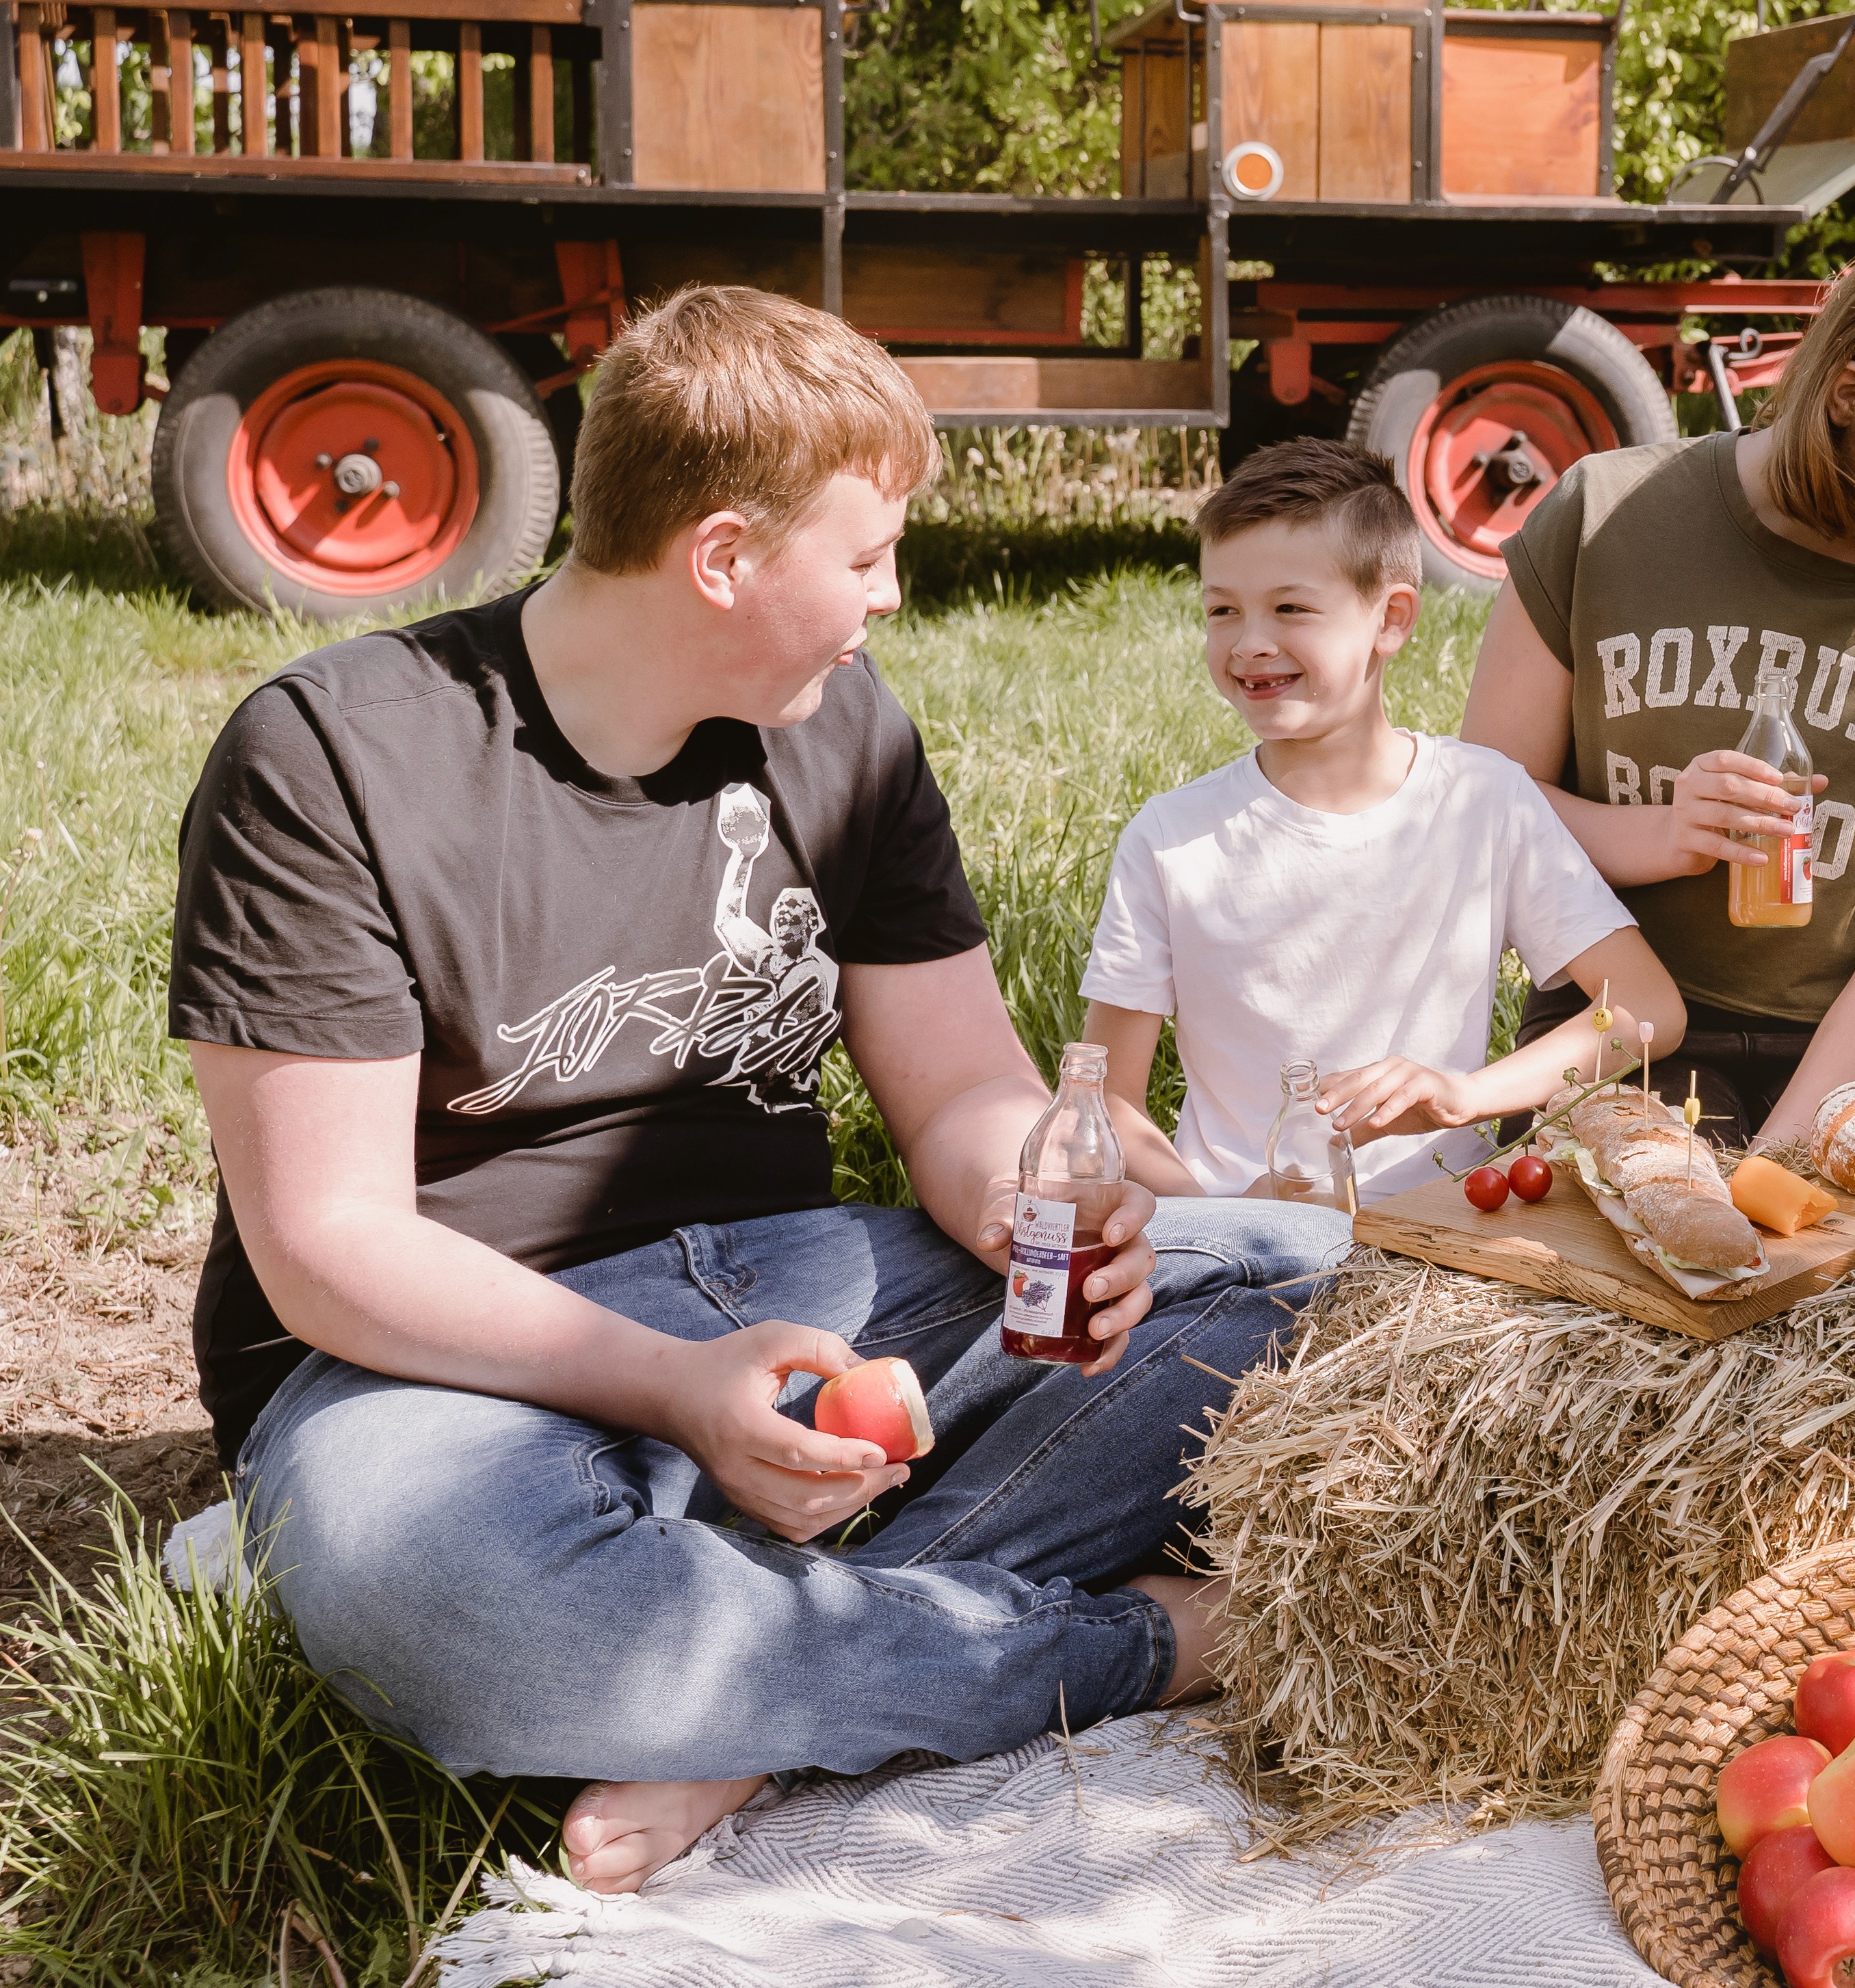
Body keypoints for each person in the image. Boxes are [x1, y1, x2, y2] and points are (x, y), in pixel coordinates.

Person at [173, 287, 1345, 1896]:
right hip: (459, 1357)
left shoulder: (843, 729)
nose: (891, 594)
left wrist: (1024, 1198)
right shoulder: (333, 756)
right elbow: (327, 1245)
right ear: (725, 559)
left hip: (801, 1280)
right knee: (436, 1602)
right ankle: (1155, 1633)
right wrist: (675, 1386)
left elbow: (958, 1088)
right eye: (864, 557)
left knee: (1317, 1286)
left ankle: (742, 1708)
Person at [1458, 213, 1855, 1152]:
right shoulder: (1603, 519)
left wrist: (1783, 1162)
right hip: (1622, 1027)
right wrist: (1661, 833)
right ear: (1848, 392)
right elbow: (1477, 818)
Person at [1078, 440, 1678, 1198]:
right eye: (1221, 610)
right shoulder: (1169, 839)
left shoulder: (1483, 800)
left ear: (1391, 619)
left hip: (1439, 1240)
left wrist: (1463, 1095)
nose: (1250, 642)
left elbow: (1645, 1010)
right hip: (1238, 1247)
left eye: (1290, 608)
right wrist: (1223, 1223)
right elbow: (1111, 1098)